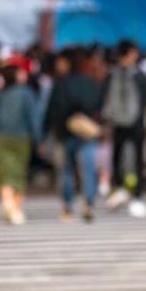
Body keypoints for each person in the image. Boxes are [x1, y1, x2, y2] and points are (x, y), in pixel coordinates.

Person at [45, 48, 103, 222]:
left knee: (67, 171)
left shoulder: (61, 84)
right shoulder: (91, 83)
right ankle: (89, 204)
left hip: (65, 132)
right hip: (87, 132)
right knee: (89, 170)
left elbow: (53, 110)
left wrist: (49, 130)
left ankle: (68, 206)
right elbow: (98, 105)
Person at [0, 64, 39, 224]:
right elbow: (33, 117)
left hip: (1, 136)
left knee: (5, 171)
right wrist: (38, 138)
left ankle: (8, 203)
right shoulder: (27, 93)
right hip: (22, 137)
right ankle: (15, 206)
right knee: (19, 172)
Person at [103, 39, 146, 218]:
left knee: (117, 157)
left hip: (116, 123)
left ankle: (118, 189)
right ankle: (137, 196)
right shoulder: (139, 76)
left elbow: (105, 101)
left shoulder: (111, 75)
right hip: (136, 122)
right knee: (137, 159)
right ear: (131, 53)